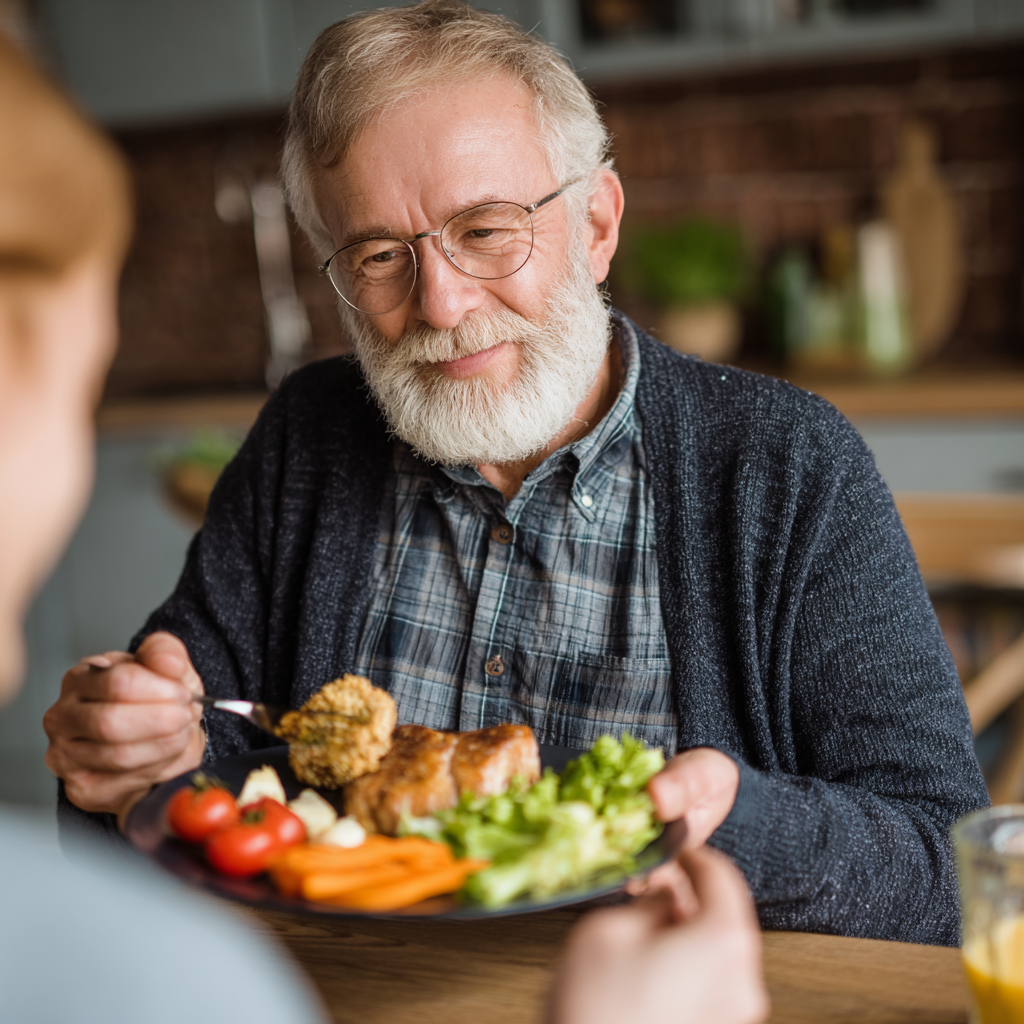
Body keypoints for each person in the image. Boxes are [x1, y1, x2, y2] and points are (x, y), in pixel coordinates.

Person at [44, 0, 987, 946]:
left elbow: (944, 873)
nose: (442, 304)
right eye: (379, 255)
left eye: (487, 231)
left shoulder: (790, 468)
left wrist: (737, 819)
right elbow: (173, 789)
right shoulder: (305, 440)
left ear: (598, 224)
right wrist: (128, 758)